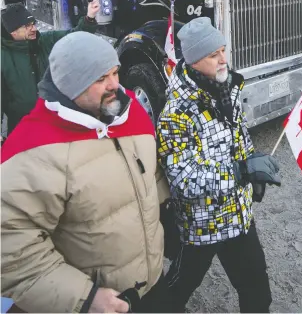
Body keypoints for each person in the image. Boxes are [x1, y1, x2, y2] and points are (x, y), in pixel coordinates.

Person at [1, 32, 169, 313]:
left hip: (149, 286)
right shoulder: (32, 151)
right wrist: (84, 298)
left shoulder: (130, 113)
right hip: (101, 302)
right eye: (100, 78)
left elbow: (151, 180)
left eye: (115, 72)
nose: (116, 84)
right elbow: (12, 252)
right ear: (71, 85)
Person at [157, 17, 281, 313]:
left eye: (223, 50)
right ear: (195, 60)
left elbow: (240, 140)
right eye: (214, 55)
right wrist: (240, 173)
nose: (224, 59)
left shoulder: (228, 91)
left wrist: (252, 166)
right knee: (175, 293)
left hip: (238, 217)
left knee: (257, 292)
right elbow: (182, 179)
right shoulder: (176, 113)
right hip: (202, 225)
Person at [1, 0, 100, 136]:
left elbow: (74, 36)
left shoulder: (44, 41)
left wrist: (89, 18)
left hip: (52, 121)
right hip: (21, 127)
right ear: (12, 31)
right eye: (27, 26)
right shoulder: (3, 56)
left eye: (33, 24)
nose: (34, 28)